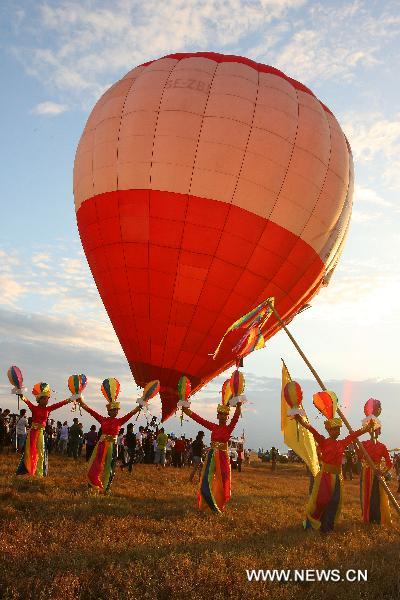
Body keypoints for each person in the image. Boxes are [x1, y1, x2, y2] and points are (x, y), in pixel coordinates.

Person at [295, 413, 372, 532]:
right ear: (329, 431)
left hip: (338, 477)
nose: (337, 431)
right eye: (334, 429)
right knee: (321, 500)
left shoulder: (342, 443)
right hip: (325, 476)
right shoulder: (323, 441)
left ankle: (328, 527)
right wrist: (301, 421)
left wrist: (366, 429)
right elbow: (311, 429)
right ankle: (312, 522)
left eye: (338, 429)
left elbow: (353, 435)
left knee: (334, 501)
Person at [78, 378, 141, 493]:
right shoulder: (102, 419)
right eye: (113, 410)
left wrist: (138, 407)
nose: (115, 412)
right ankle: (92, 483)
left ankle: (106, 487)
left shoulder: (120, 421)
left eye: (117, 410)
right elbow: (92, 412)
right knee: (96, 464)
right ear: (109, 411)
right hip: (101, 445)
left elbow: (130, 414)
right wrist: (82, 404)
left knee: (110, 466)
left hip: (113, 446)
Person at [182, 399, 242, 514]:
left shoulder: (229, 428)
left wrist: (238, 406)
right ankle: (209, 504)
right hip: (211, 456)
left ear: (227, 417)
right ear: (217, 416)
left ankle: (219, 503)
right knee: (206, 480)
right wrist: (187, 411)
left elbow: (236, 418)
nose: (222, 417)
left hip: (223, 457)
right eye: (220, 414)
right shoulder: (213, 427)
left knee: (224, 479)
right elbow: (199, 419)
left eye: (225, 415)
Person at [15, 383, 74, 477]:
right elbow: (26, 401)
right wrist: (20, 394)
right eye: (45, 398)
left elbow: (60, 404)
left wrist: (70, 399)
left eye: (48, 398)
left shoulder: (48, 409)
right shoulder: (34, 408)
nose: (47, 400)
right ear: (40, 399)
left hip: (41, 432)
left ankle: (39, 473)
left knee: (41, 452)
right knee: (29, 451)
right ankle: (27, 470)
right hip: (32, 433)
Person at [359, 424, 393, 524]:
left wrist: (382, 471)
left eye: (377, 430)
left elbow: (389, 463)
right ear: (369, 432)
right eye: (372, 430)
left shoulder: (382, 446)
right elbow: (359, 456)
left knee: (376, 496)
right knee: (365, 496)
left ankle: (377, 519)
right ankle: (367, 518)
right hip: (366, 474)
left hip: (377, 475)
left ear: (379, 432)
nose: (374, 432)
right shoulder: (363, 444)